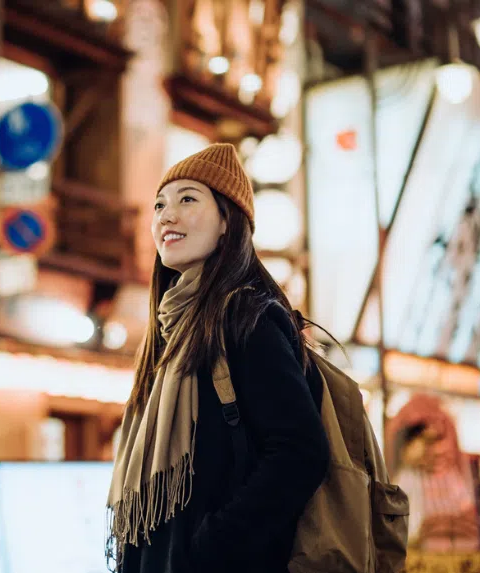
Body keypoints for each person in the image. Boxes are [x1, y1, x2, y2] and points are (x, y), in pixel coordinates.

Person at [106, 143, 330, 573]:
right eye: (159, 204)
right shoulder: (170, 332)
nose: (166, 216)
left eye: (187, 198)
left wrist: (212, 547)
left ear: (228, 220)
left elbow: (300, 451)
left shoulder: (248, 318)